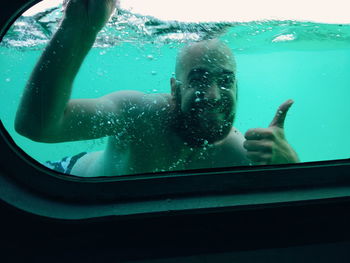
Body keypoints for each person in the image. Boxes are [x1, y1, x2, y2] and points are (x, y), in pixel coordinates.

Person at [15, 0, 299, 177]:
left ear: (237, 88)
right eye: (198, 80)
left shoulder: (239, 154)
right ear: (175, 90)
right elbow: (38, 127)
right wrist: (80, 27)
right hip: (70, 179)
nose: (213, 95)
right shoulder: (139, 114)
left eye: (225, 81)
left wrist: (290, 166)